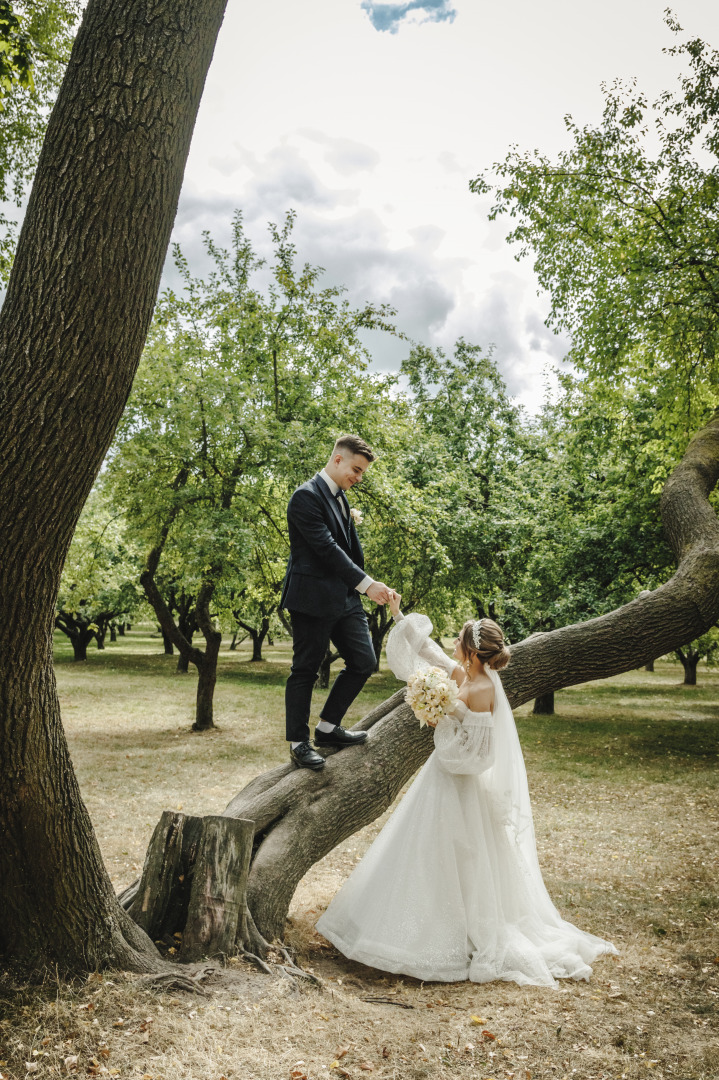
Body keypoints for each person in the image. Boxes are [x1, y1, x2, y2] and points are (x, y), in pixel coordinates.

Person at [315, 592, 617, 987]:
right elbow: (425, 649)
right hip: (440, 777)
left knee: (459, 857)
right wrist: (397, 613)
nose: (452, 647)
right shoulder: (462, 675)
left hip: (460, 783)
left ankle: (444, 937)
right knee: (421, 851)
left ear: (472, 651)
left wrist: (443, 722)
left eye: (458, 642)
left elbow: (480, 755)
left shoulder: (483, 690)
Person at [280, 434, 393, 771]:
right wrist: (366, 585)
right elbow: (327, 549)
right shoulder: (305, 497)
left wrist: (369, 584)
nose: (358, 478)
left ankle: (328, 728)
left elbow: (349, 552)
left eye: (362, 473)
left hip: (345, 598)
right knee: (305, 669)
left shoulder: (341, 497)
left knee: (363, 660)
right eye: (356, 470)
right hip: (312, 599)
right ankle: (298, 743)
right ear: (338, 459)